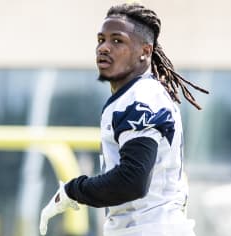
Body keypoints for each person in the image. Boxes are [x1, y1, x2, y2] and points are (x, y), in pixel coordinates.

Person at [39, 3, 208, 236]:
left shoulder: (141, 98)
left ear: (145, 52)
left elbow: (132, 180)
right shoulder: (135, 95)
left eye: (117, 40)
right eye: (101, 40)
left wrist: (73, 191)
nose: (104, 48)